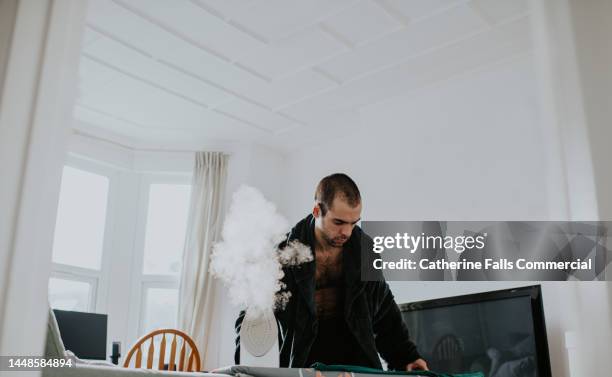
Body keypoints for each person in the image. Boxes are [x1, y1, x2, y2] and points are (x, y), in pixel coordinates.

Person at [235, 173, 428, 371]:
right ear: (317, 211)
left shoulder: (365, 252)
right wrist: (248, 370)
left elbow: (384, 310)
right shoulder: (284, 254)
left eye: (354, 223)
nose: (347, 232)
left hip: (355, 364)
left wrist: (406, 357)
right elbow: (253, 320)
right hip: (304, 365)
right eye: (338, 222)